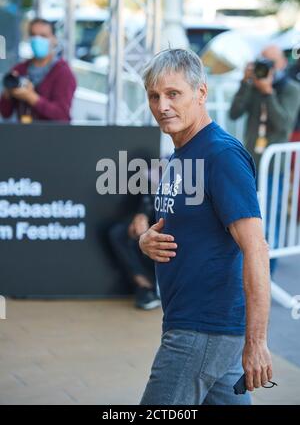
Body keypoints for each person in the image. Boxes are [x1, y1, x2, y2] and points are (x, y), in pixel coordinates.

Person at [138, 48, 272, 405]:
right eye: (154, 96)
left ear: (201, 93)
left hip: (201, 329)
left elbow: (256, 247)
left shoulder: (221, 155)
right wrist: (146, 240)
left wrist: (256, 342)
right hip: (200, 325)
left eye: (173, 94)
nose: (162, 105)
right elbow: (184, 226)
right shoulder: (181, 154)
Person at [230, 45, 300, 275]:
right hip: (250, 162)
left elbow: (283, 123)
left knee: (270, 217)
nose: (265, 66)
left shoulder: (291, 89)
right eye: (261, 60)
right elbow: (235, 112)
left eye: (269, 61)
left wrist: (268, 92)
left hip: (274, 166)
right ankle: (247, 266)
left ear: (281, 63)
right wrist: (245, 82)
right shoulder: (254, 86)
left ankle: (267, 270)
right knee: (246, 216)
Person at [0, 18, 76, 122]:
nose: (37, 39)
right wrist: (8, 93)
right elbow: (5, 113)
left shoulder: (63, 73)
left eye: (43, 36)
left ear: (54, 39)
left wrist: (31, 98)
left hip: (52, 136)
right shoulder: (19, 70)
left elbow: (62, 115)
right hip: (23, 134)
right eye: (33, 35)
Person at [108, 193, 161, 311]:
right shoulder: (151, 177)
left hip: (179, 219)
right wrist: (143, 215)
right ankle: (146, 287)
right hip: (155, 215)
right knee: (120, 234)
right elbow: (150, 192)